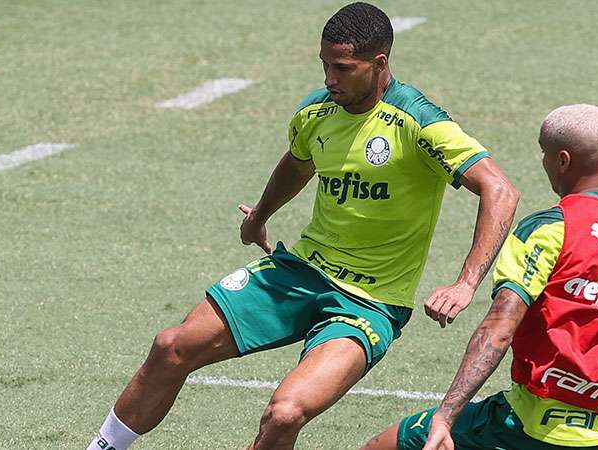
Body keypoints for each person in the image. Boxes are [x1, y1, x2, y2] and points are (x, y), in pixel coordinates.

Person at [85, 3, 519, 449]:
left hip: (370, 304)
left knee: (285, 413)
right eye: (325, 65)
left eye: (342, 68)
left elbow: (500, 191)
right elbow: (298, 164)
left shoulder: (419, 122)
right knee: (170, 346)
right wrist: (260, 215)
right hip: (300, 271)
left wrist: (466, 284)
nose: (330, 78)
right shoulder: (316, 112)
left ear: (379, 64)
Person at [362, 104, 598, 450]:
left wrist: (446, 417)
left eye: (545, 153)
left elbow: (498, 331)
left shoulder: (547, 230)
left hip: (527, 428)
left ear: (562, 160)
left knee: (389, 445)